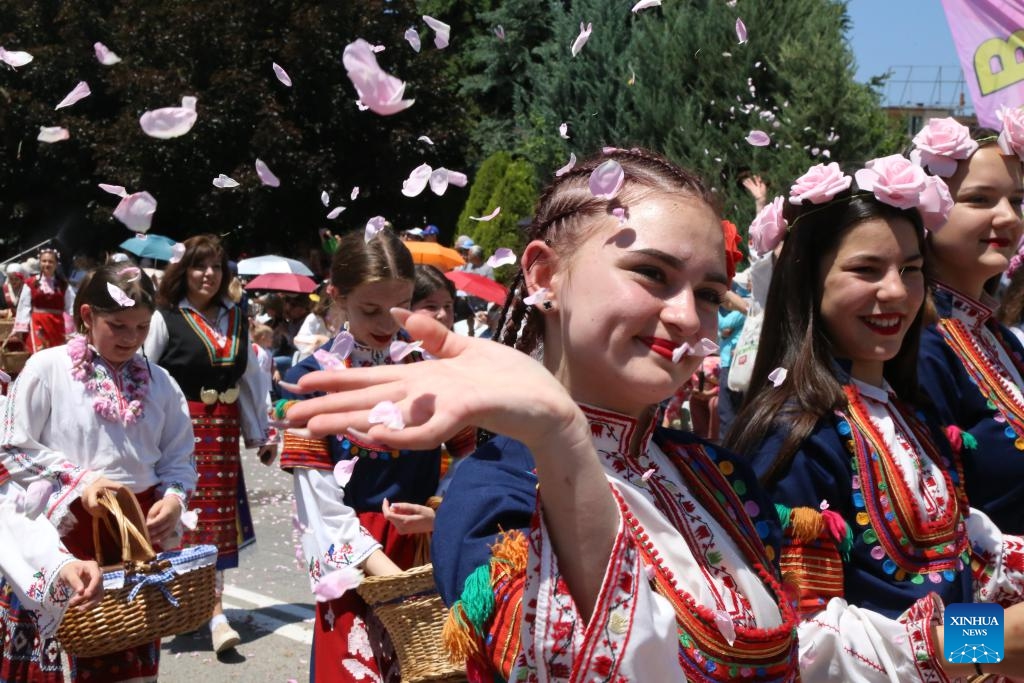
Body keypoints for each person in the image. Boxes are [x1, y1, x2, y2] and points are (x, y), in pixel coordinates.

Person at [286, 149, 807, 681]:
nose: (686, 315)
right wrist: (562, 438)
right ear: (544, 274)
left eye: (710, 293)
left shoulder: (718, 475)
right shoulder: (499, 492)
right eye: (652, 273)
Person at [727, 158, 1024, 680]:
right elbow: (803, 641)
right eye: (866, 270)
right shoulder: (795, 432)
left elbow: (963, 558)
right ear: (809, 279)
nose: (895, 292)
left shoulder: (906, 414)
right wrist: (984, 640)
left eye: (910, 270)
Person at [276, 230, 475, 681]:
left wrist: (441, 512)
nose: (388, 324)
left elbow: (469, 454)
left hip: (428, 549)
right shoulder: (310, 384)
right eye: (371, 310)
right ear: (336, 297)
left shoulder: (428, 369)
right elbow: (321, 510)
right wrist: (391, 581)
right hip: (357, 564)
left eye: (400, 307)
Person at [1, 263, 197, 681]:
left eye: (142, 328)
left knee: (129, 659)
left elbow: (179, 458)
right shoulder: (46, 369)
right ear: (87, 316)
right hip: (59, 538)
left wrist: (174, 498)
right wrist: (81, 482)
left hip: (133, 542)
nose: (130, 339)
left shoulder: (162, 384)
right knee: (63, 660)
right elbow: (11, 446)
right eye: (118, 325)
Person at [144, 234, 275, 654]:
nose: (208, 275)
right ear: (183, 271)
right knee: (176, 518)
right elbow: (143, 377)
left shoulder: (236, 318)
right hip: (178, 433)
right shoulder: (165, 319)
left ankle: (213, 609)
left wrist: (262, 434)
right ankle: (188, 605)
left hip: (222, 437)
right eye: (200, 266)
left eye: (216, 267)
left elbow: (252, 378)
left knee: (214, 522)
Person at [911, 115, 1024, 535]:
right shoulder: (920, 346)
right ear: (926, 210)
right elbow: (937, 531)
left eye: (1017, 201)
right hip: (977, 600)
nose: (1009, 217)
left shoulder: (999, 339)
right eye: (980, 199)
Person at [10, 247, 74, 354]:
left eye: (50, 261)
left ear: (56, 264)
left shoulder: (63, 285)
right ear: (40, 263)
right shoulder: (31, 283)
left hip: (57, 326)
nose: (47, 264)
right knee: (38, 353)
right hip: (37, 324)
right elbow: (24, 306)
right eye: (44, 261)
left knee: (55, 354)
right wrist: (20, 327)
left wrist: (71, 330)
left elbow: (70, 307)